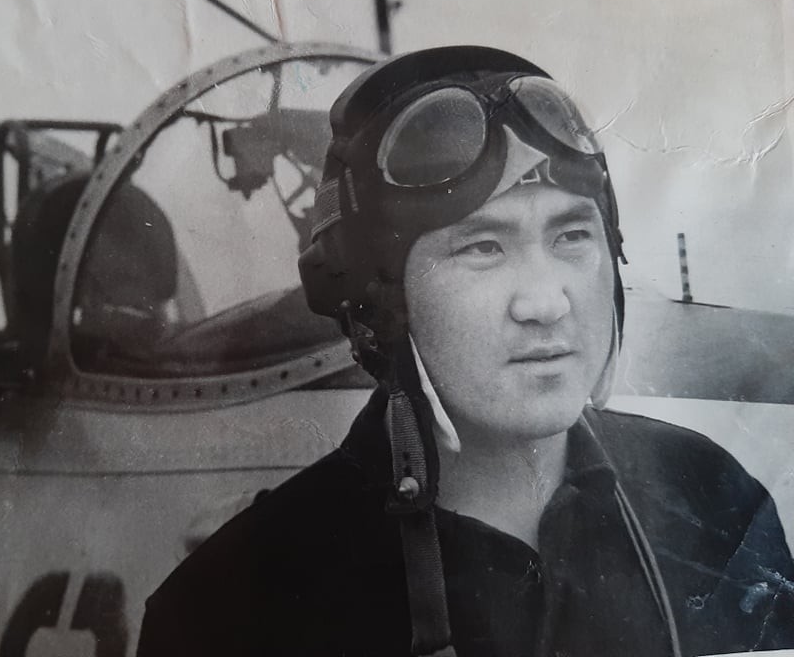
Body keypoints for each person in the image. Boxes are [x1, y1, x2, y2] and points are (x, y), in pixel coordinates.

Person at [135, 46, 794, 657]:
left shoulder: (715, 500)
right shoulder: (232, 607)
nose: (546, 302)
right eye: (483, 247)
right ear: (382, 302)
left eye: (571, 236)